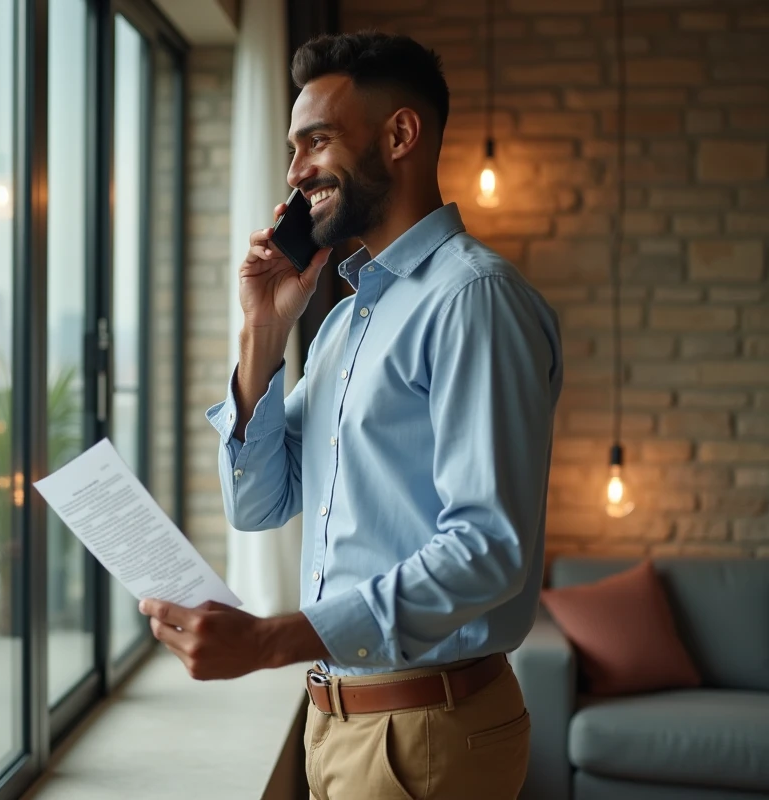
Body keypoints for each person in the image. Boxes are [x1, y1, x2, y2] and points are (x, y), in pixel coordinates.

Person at [137, 30, 563, 800]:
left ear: (401, 134)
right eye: (293, 148)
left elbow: (487, 550)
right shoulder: (345, 323)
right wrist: (264, 330)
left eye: (317, 141)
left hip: (427, 732)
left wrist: (271, 640)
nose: (296, 172)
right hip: (338, 724)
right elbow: (258, 503)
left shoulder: (474, 301)